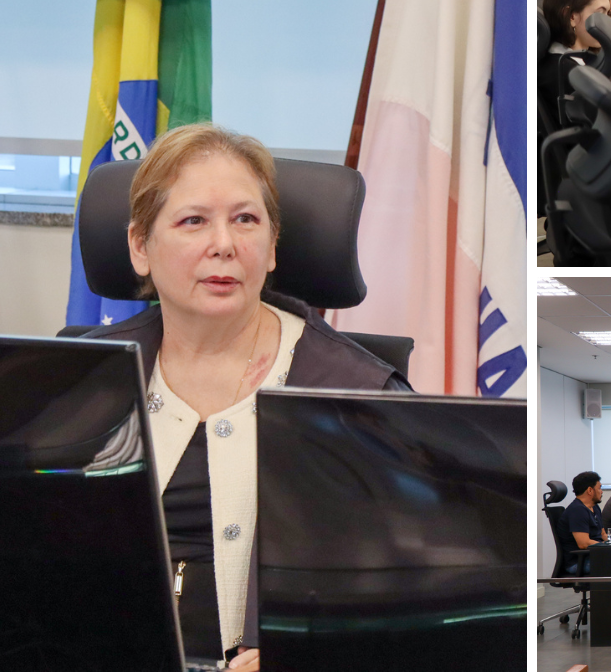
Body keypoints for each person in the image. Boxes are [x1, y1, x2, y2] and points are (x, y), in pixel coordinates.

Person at [87, 124, 409, 670]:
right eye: (193, 221)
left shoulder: (360, 394)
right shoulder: (83, 380)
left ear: (272, 247)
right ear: (140, 247)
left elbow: (416, 597)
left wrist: (307, 653)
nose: (224, 244)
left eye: (246, 220)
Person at [558, 471, 607, 575]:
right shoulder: (577, 511)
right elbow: (583, 543)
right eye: (599, 488)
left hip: (593, 556)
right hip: (579, 562)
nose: (601, 492)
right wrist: (607, 547)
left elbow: (603, 534)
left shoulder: (594, 507)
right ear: (590, 490)